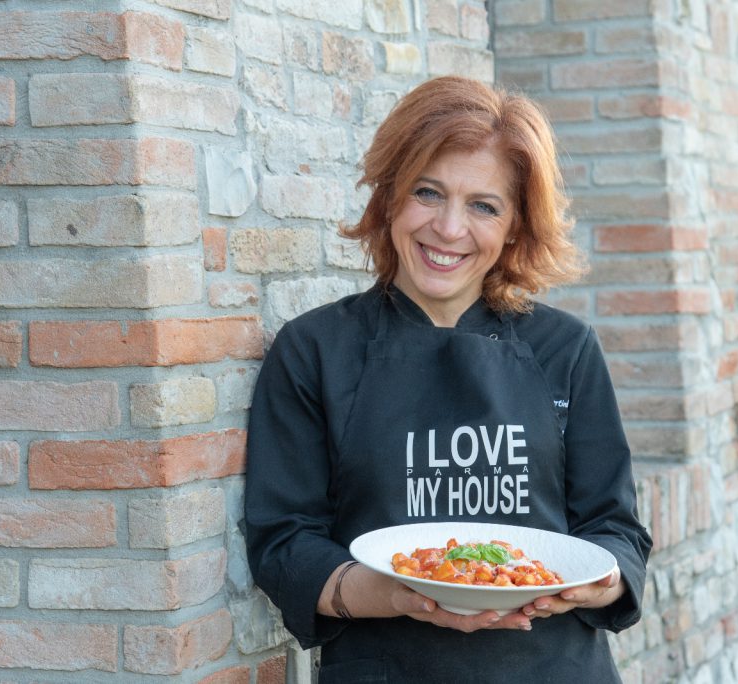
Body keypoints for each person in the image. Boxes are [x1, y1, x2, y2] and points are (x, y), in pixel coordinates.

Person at [245, 75, 653, 683]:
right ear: (389, 196)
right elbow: (284, 545)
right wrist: (397, 595)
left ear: (515, 225)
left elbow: (615, 529)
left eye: (484, 206)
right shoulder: (314, 351)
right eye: (428, 192)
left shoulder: (566, 348)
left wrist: (596, 581)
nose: (450, 228)